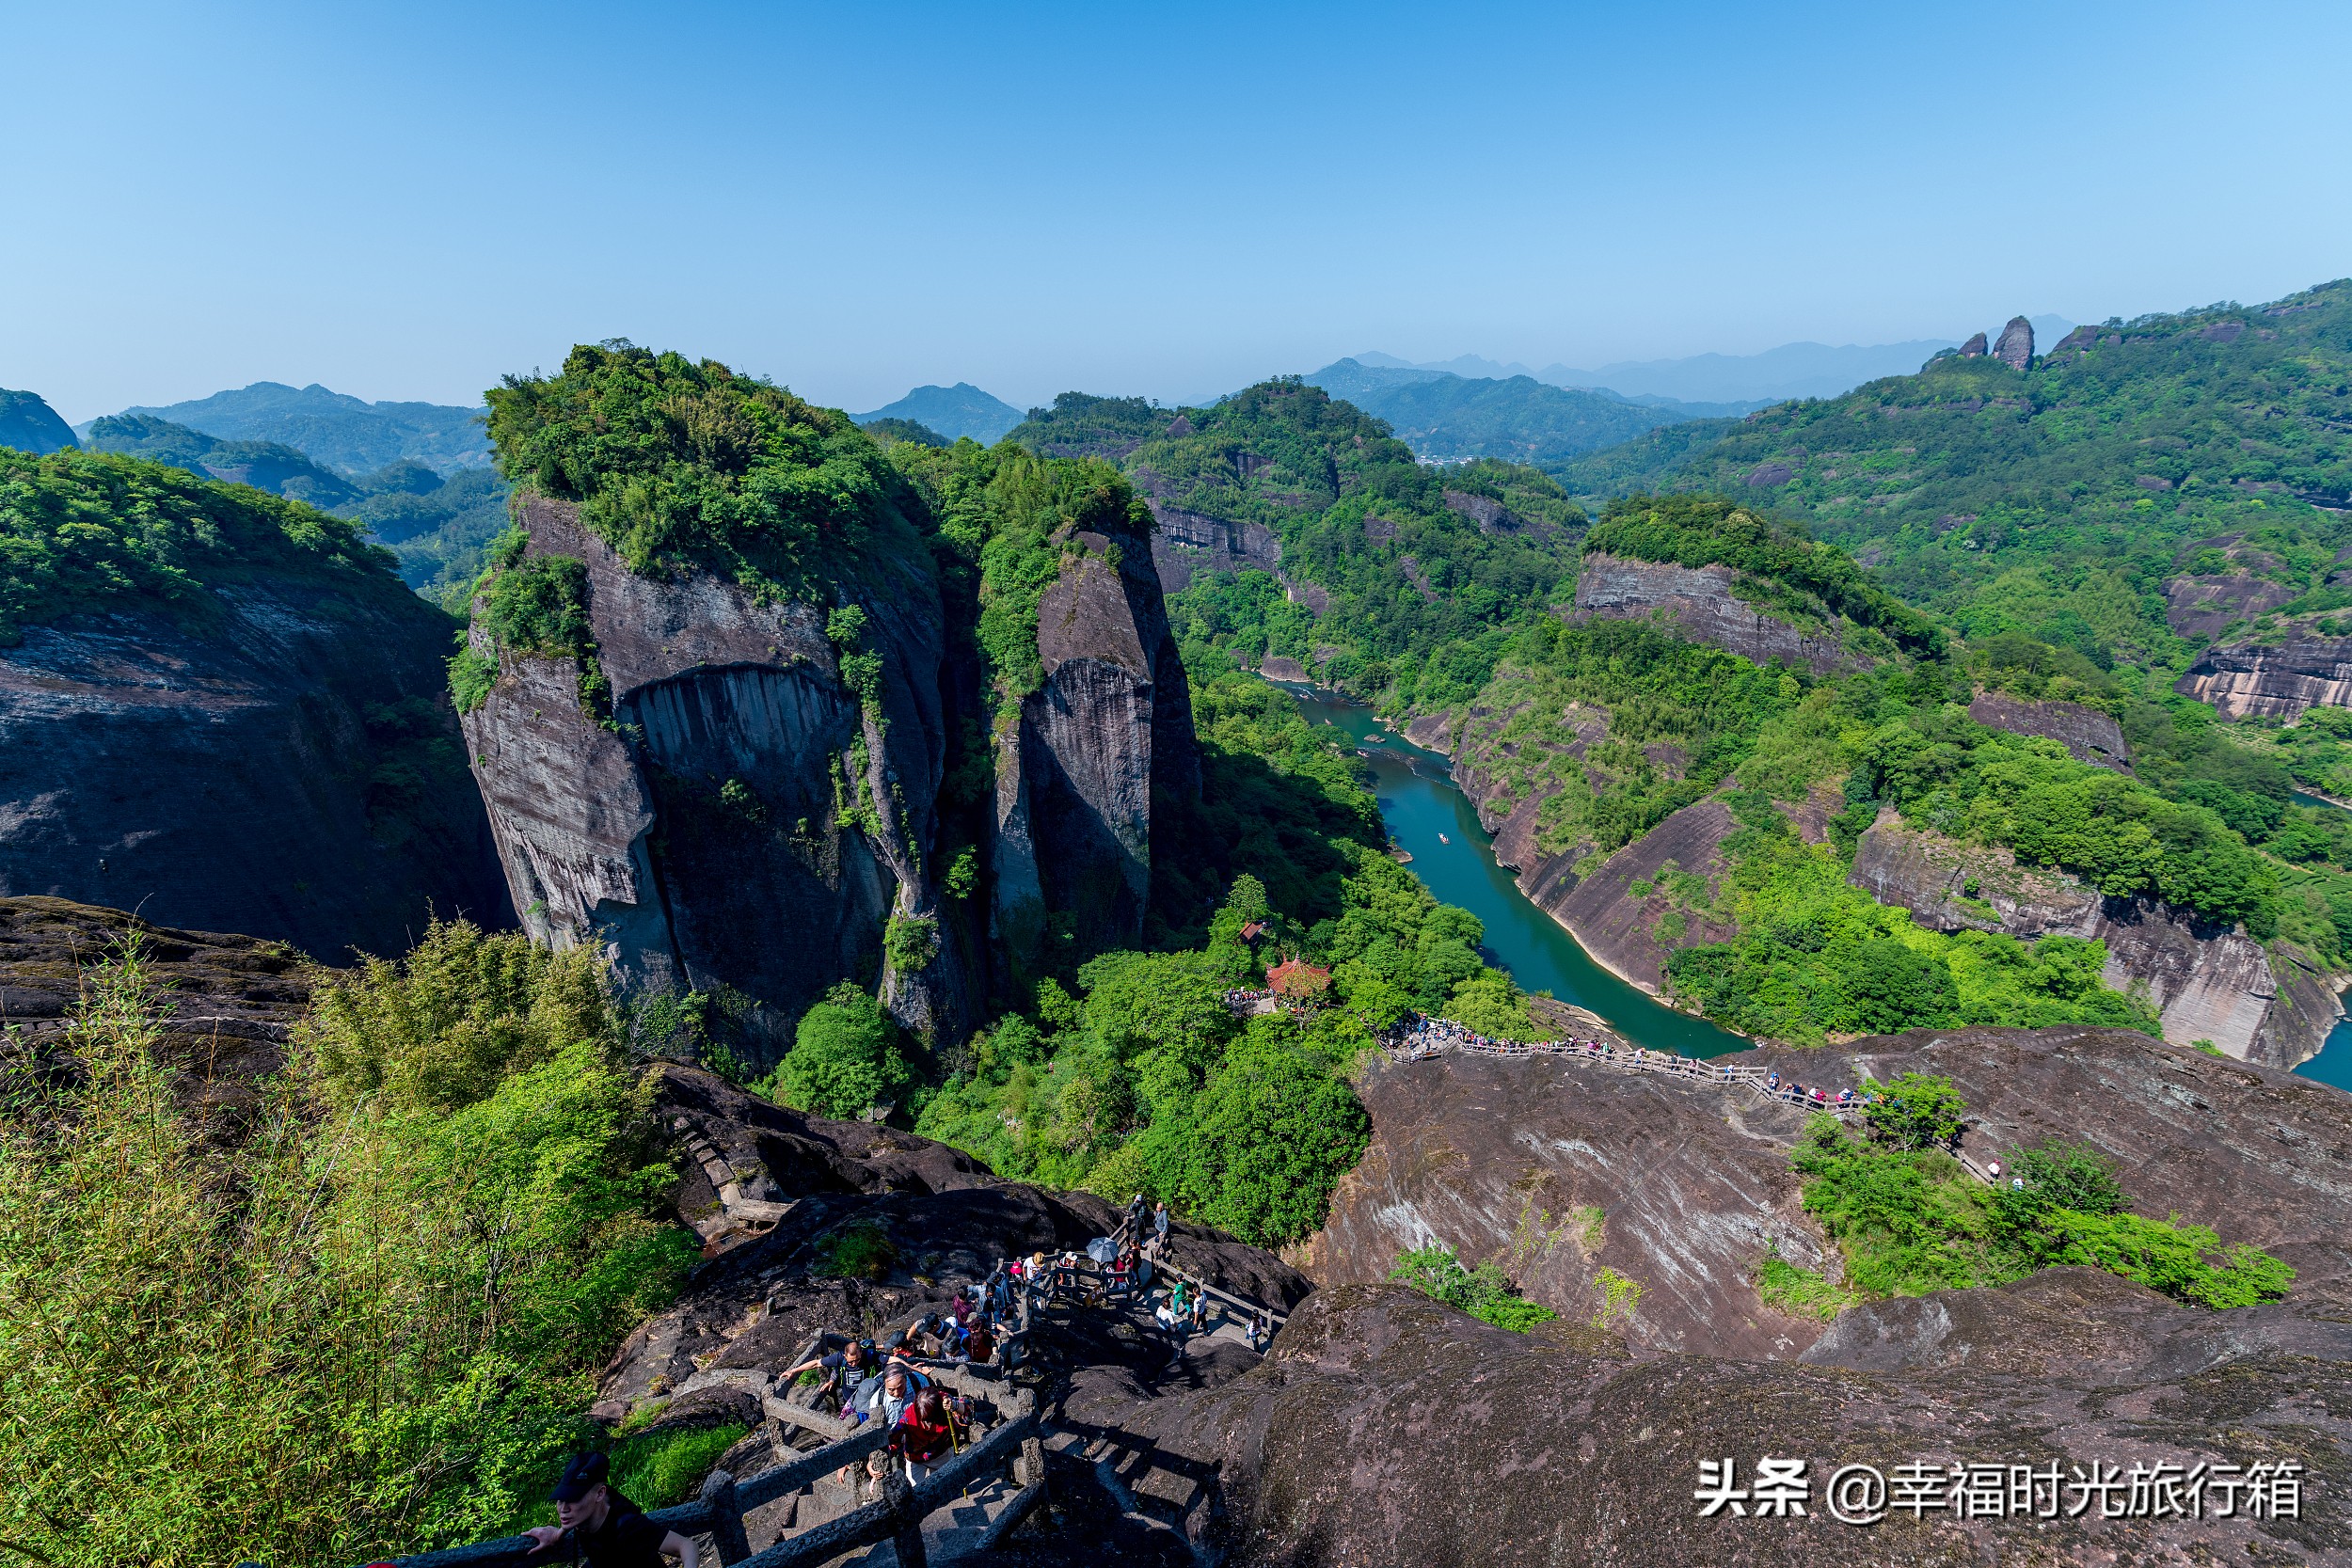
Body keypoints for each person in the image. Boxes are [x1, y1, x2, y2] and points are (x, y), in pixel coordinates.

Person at [523, 1453, 699, 1567]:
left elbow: (687, 1546)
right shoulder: (583, 1516)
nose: (563, 1509)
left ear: (600, 1494)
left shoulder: (628, 1526)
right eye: (561, 1499)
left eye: (574, 1499)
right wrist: (557, 1534)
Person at [783, 1337, 878, 1415]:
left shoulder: (868, 1356)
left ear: (861, 1353)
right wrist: (793, 1371)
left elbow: (889, 1360)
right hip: (848, 1398)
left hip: (866, 1397)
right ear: (845, 1356)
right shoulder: (839, 1357)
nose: (854, 1363)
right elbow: (816, 1363)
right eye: (851, 1361)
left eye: (857, 1360)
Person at [889, 1386, 961, 1483]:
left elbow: (967, 1415)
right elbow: (893, 1440)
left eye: (930, 1420)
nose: (928, 1425)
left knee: (943, 1487)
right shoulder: (908, 1418)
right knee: (914, 1491)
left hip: (942, 1454)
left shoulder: (945, 1402)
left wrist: (954, 1405)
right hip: (916, 1458)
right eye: (924, 1420)